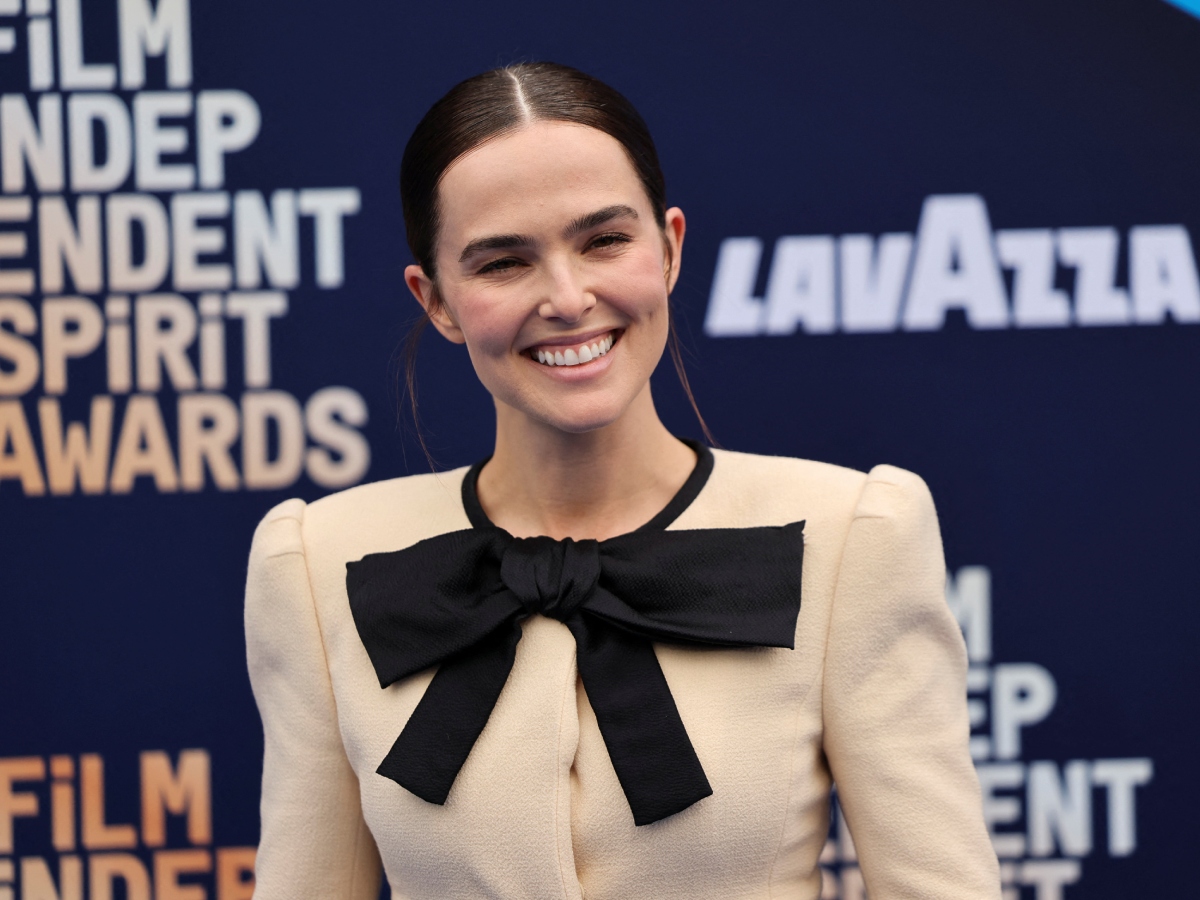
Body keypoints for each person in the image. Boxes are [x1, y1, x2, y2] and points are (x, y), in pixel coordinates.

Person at [245, 62, 1001, 899]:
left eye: (604, 241)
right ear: (437, 301)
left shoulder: (852, 535)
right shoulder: (318, 563)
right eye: (503, 262)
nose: (569, 298)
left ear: (669, 247)